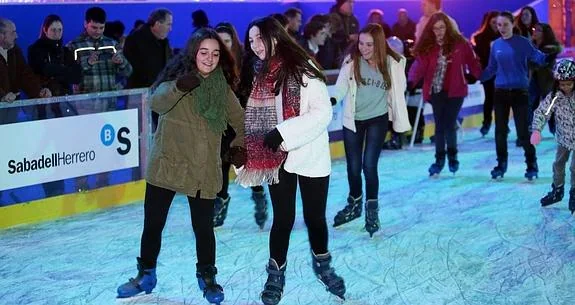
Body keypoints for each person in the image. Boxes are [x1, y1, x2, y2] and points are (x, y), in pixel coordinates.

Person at [116, 28, 246, 305]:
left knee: (203, 228)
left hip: (201, 169)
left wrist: (238, 147)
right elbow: (155, 101)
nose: (209, 59)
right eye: (203, 53)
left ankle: (207, 276)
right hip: (168, 164)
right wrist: (179, 86)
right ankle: (146, 274)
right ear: (193, 53)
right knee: (153, 225)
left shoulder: (221, 90)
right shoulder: (175, 80)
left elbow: (242, 122)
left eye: (214, 54)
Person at [235, 17, 346, 305]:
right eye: (250, 41)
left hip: (309, 153)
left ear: (274, 36)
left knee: (315, 218)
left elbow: (322, 113)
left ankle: (323, 264)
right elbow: (252, 122)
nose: (255, 45)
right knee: (283, 219)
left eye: (259, 38)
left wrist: (283, 132)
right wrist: (241, 156)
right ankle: (275, 273)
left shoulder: (305, 68)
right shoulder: (260, 74)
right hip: (276, 158)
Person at [330, 23, 410, 234]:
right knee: (353, 167)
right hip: (353, 120)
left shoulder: (392, 64)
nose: (363, 48)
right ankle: (355, 204)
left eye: (369, 45)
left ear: (379, 44)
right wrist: (331, 98)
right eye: (361, 43)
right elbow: (340, 87)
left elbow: (398, 92)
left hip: (378, 119)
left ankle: (372, 210)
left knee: (369, 166)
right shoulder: (352, 61)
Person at [480, 11, 552, 180]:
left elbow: (537, 56)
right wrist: (478, 76)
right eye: (499, 25)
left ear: (512, 24)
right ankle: (501, 164)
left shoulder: (522, 43)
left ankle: (531, 164)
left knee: (523, 132)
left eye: (505, 24)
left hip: (520, 92)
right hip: (501, 92)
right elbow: (491, 68)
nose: (502, 28)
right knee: (500, 131)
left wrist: (548, 58)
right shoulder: (496, 45)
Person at [409, 12, 482, 176]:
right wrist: (411, 82)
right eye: (435, 29)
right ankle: (439, 160)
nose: (439, 31)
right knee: (440, 126)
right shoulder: (428, 47)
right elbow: (418, 66)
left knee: (448, 124)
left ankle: (452, 156)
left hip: (456, 90)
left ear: (447, 27)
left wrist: (479, 75)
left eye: (441, 27)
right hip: (436, 91)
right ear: (431, 30)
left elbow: (472, 61)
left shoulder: (459, 43)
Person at [213, 22, 270, 229]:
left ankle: (258, 194)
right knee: (220, 163)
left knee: (246, 165)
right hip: (220, 124)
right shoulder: (212, 63)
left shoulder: (248, 63)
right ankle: (220, 200)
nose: (222, 46)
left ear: (234, 43)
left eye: (226, 41)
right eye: (219, 42)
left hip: (244, 122)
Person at [530, 59, 575, 213]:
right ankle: (558, 189)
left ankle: (574, 192)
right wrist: (537, 130)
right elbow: (543, 113)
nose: (566, 87)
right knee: (558, 164)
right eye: (562, 84)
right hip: (563, 138)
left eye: (569, 84)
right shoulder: (555, 97)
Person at [471, 11, 500, 136]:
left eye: (497, 22)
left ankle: (501, 123)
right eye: (493, 22)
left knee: (501, 99)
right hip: (488, 72)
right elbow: (480, 56)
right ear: (488, 23)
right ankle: (486, 123)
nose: (495, 25)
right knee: (489, 97)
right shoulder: (481, 38)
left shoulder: (505, 35)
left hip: (503, 73)